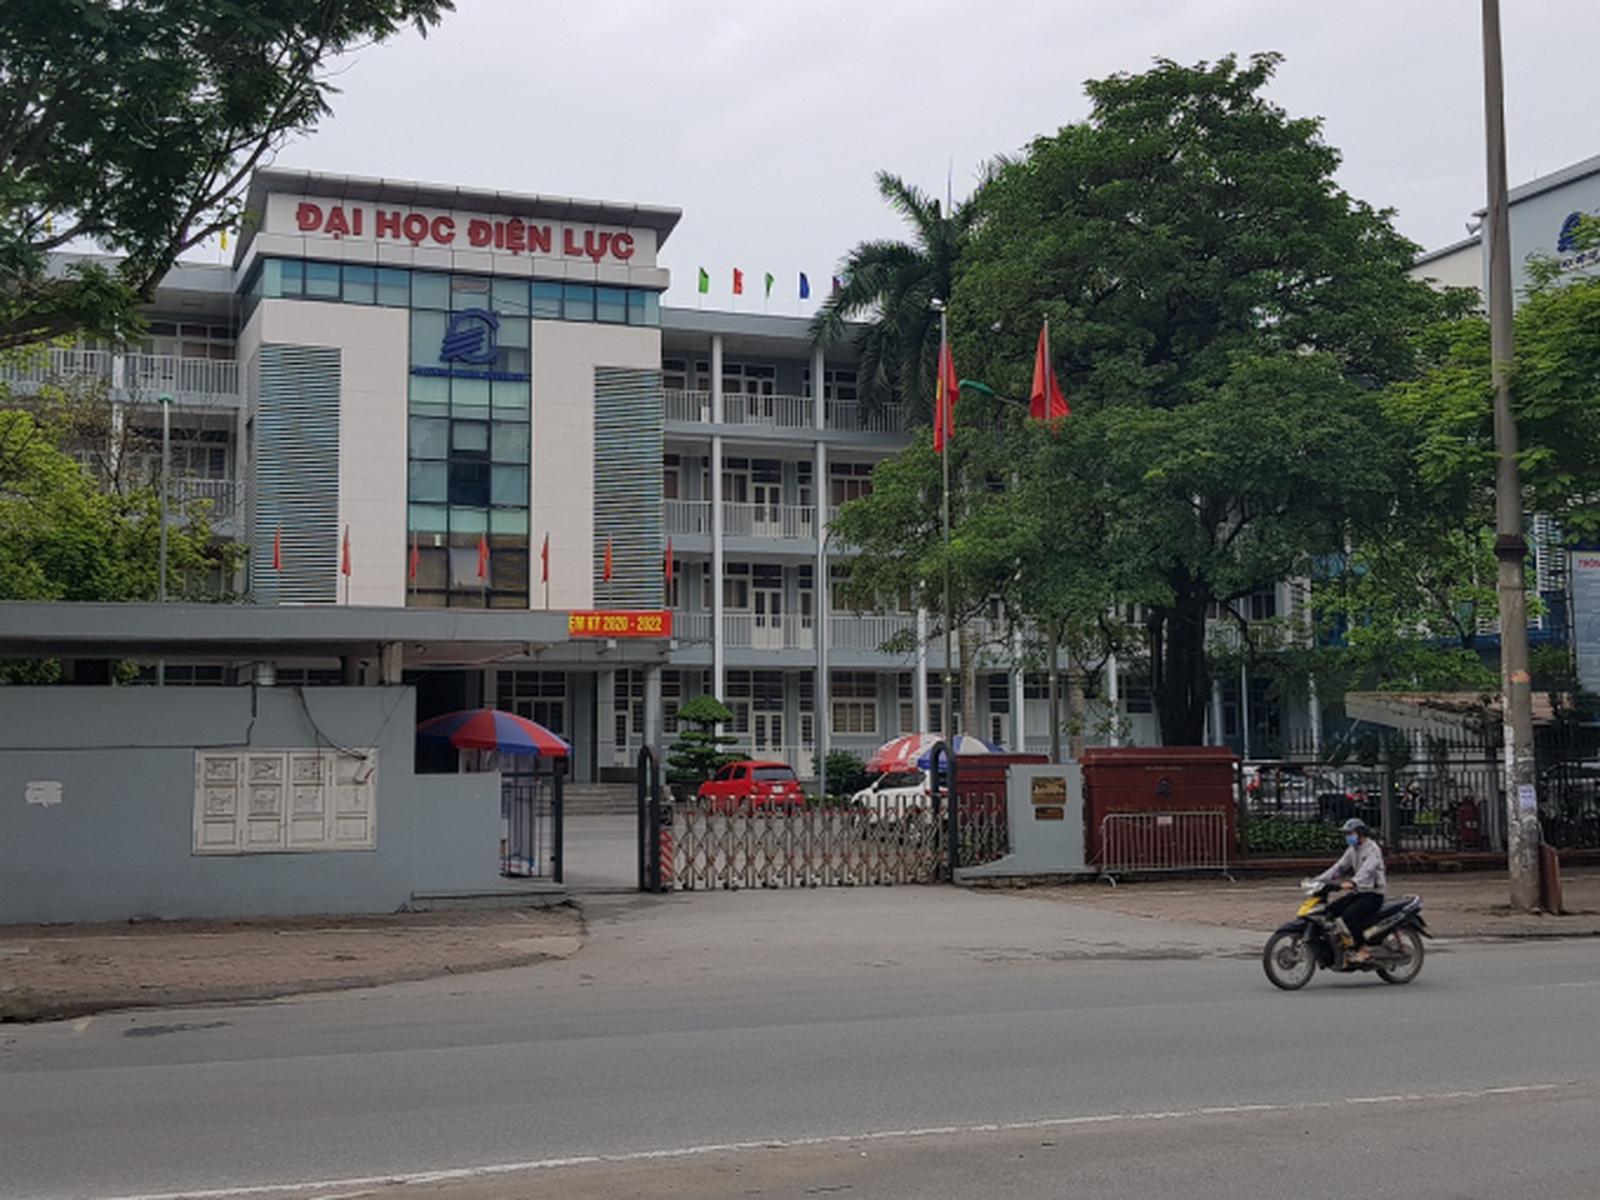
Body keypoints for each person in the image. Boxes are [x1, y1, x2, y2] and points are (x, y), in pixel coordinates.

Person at [1315, 817, 1386, 963]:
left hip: (1373, 895)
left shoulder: (1373, 850)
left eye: (1350, 833)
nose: (1348, 837)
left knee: (1349, 916)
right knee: (1330, 910)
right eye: (1346, 834)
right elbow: (1338, 867)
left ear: (1360, 833)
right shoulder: (1353, 850)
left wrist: (1353, 882)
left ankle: (1362, 950)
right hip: (1359, 893)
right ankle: (1342, 944)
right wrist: (1317, 880)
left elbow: (1367, 870)